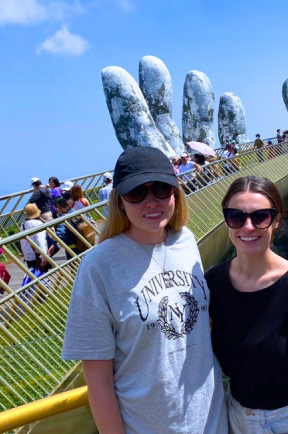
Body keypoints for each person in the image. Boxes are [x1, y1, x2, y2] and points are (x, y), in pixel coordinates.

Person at [61, 146, 226, 434]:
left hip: (212, 421)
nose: (151, 202)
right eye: (136, 192)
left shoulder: (185, 241)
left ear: (175, 193)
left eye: (161, 189)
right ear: (120, 201)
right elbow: (98, 380)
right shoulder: (99, 266)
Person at [205, 176, 288, 434]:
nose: (248, 227)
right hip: (235, 417)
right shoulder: (213, 283)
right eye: (236, 217)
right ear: (227, 220)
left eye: (260, 217)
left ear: (276, 220)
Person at [20, 204, 48, 270]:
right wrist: (44, 255)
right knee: (43, 274)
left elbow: (22, 242)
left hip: (28, 256)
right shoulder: (38, 223)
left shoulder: (23, 225)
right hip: (38, 255)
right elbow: (40, 240)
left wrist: (25, 255)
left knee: (34, 274)